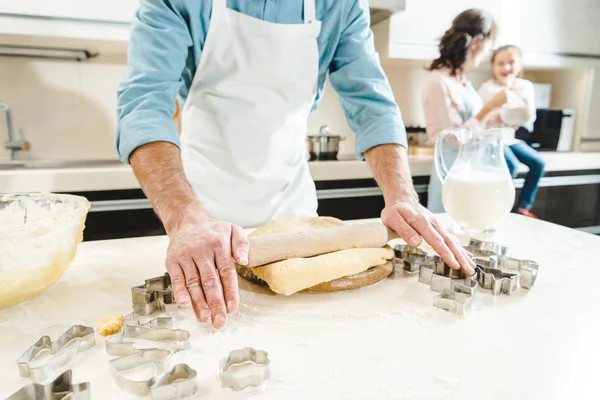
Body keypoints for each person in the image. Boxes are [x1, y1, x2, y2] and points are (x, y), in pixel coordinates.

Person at [116, 0, 475, 329]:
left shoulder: (340, 4)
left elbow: (372, 102)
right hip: (203, 224)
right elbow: (143, 104)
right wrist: (185, 218)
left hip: (294, 217)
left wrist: (402, 196)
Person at [422, 8, 509, 213]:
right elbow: (451, 139)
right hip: (451, 179)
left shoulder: (463, 83)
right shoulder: (438, 82)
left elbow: (475, 129)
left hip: (472, 178)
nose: (489, 52)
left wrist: (498, 118)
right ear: (477, 41)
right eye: (489, 44)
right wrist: (488, 107)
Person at [477, 45, 545, 218]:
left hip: (510, 138)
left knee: (538, 163)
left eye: (511, 62)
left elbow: (526, 117)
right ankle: (500, 207)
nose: (506, 67)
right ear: (493, 66)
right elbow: (480, 118)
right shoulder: (486, 89)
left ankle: (522, 207)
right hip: (491, 138)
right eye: (501, 63)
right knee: (511, 165)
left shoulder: (524, 87)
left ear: (520, 65)